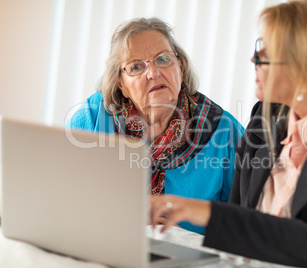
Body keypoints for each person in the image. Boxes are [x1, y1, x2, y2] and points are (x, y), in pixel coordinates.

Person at [150, 1, 307, 267]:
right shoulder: (265, 117)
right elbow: (241, 226)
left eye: (265, 51)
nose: (253, 59)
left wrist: (202, 211)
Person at [65, 18, 244, 234]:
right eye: (136, 66)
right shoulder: (93, 117)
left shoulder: (224, 131)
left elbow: (246, 221)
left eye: (163, 59)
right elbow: (58, 193)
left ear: (180, 65)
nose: (153, 73)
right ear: (121, 84)